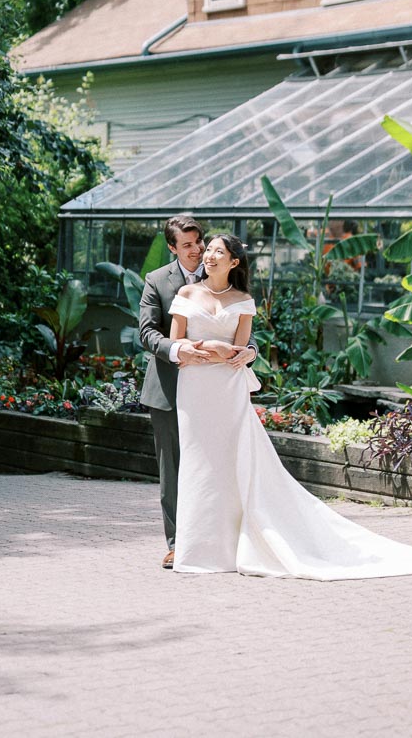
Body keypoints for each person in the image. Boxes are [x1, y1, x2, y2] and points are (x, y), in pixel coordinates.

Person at [168, 233, 412, 579]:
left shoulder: (243, 300)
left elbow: (240, 352)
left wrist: (230, 353)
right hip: (194, 389)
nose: (208, 256)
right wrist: (213, 346)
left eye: (217, 252)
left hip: (228, 389)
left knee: (229, 464)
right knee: (198, 463)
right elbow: (178, 343)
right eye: (208, 250)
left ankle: (230, 549)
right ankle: (199, 551)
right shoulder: (186, 293)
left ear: (234, 262)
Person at [138, 213, 256, 569]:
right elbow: (146, 332)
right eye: (187, 245)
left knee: (219, 464)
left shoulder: (231, 283)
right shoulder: (157, 281)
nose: (197, 250)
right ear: (173, 248)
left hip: (220, 389)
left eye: (199, 243)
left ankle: (227, 539)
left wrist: (251, 352)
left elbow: (242, 329)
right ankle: (178, 544)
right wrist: (180, 350)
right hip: (171, 387)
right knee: (174, 470)